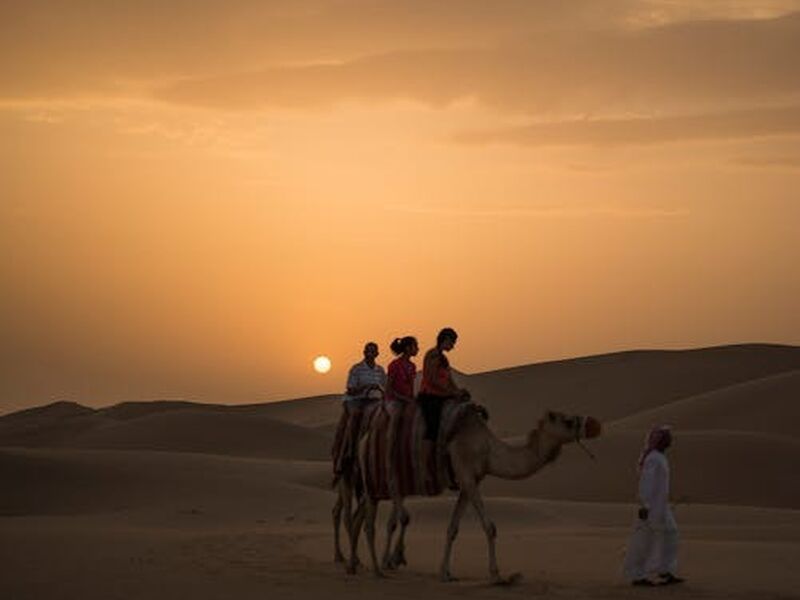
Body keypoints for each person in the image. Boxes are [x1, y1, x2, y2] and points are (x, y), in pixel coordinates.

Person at [622, 425, 685, 587]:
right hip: (650, 508)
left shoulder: (660, 457)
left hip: (662, 507)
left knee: (671, 534)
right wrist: (645, 505)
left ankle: (665, 571)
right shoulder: (653, 458)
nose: (670, 440)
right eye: (667, 437)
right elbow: (646, 483)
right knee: (644, 540)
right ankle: (636, 575)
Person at [332, 342, 386, 475]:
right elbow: (350, 389)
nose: (370, 353)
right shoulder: (356, 369)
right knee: (354, 416)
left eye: (373, 351)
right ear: (364, 352)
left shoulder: (380, 370)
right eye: (368, 351)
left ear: (377, 354)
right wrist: (367, 387)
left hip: (374, 400)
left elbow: (385, 387)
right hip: (355, 400)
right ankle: (349, 450)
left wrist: (380, 391)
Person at [418, 327, 470, 445]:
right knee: (433, 431)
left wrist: (458, 391)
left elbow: (449, 380)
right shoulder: (433, 355)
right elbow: (431, 379)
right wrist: (451, 392)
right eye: (452, 342)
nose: (453, 346)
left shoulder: (443, 359)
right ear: (446, 339)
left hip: (443, 395)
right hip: (430, 396)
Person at [385, 336, 418, 493]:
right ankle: (390, 453)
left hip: (407, 401)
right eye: (414, 346)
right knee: (396, 417)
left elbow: (410, 388)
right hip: (393, 401)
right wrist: (403, 399)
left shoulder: (412, 366)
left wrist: (412, 400)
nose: (417, 349)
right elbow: (389, 388)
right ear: (407, 348)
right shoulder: (394, 365)